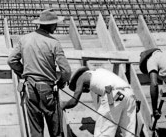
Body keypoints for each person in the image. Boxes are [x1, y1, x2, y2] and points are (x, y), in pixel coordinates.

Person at [7, 9, 71, 137]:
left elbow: (11, 60)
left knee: (35, 128)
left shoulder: (25, 39)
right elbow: (66, 70)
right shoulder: (53, 43)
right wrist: (61, 82)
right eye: (55, 24)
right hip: (47, 90)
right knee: (55, 128)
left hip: (29, 88)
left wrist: (23, 72)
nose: (56, 26)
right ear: (51, 25)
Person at [61, 66, 136, 137]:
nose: (85, 90)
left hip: (114, 93)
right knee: (129, 132)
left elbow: (74, 101)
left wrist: (63, 105)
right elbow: (109, 87)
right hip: (130, 93)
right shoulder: (100, 72)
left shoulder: (81, 78)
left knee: (104, 132)